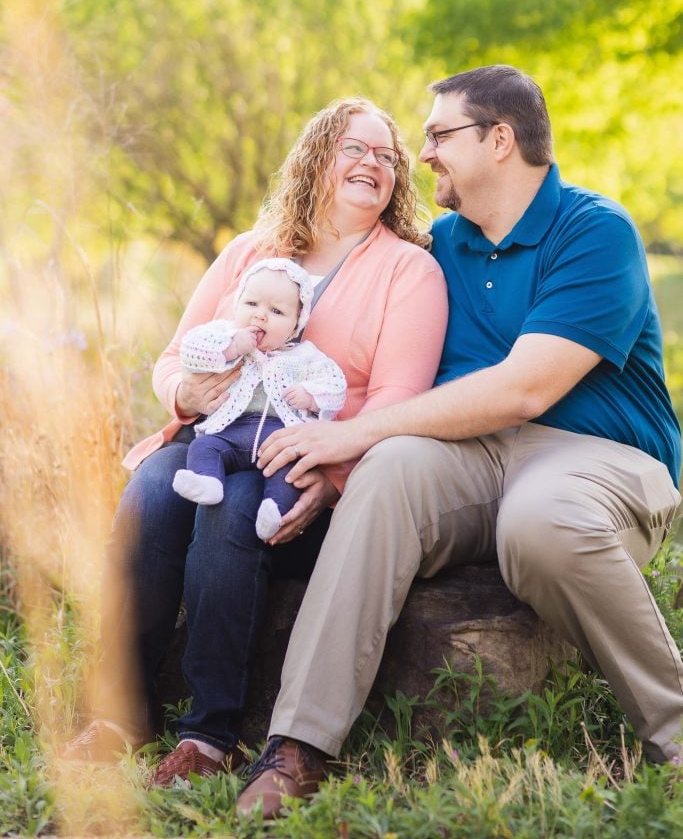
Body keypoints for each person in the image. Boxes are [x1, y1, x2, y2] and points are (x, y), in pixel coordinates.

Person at [237, 65, 683, 819]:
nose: (425, 154)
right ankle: (299, 746)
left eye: (439, 134)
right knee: (385, 472)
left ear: (499, 139)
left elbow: (523, 389)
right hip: (470, 453)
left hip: (598, 455)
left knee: (540, 524)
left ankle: (673, 734)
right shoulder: (440, 244)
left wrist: (353, 430)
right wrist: (329, 450)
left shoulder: (592, 230)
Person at [62, 97, 448, 786]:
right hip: (217, 435)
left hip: (310, 482)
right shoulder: (251, 251)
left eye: (386, 156)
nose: (373, 163)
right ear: (316, 158)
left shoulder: (408, 271)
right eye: (354, 148)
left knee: (235, 502)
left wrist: (330, 476)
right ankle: (122, 710)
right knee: (153, 484)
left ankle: (209, 736)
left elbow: (398, 402)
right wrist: (185, 394)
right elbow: (174, 359)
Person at [173, 257, 347, 541]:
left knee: (289, 470)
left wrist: (311, 396)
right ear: (238, 305)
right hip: (230, 432)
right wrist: (230, 348)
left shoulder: (303, 356)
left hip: (278, 437)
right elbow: (191, 350)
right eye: (251, 304)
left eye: (276, 311)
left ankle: (273, 509)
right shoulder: (222, 335)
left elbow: (335, 386)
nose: (260, 316)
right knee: (203, 447)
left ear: (295, 324)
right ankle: (207, 482)